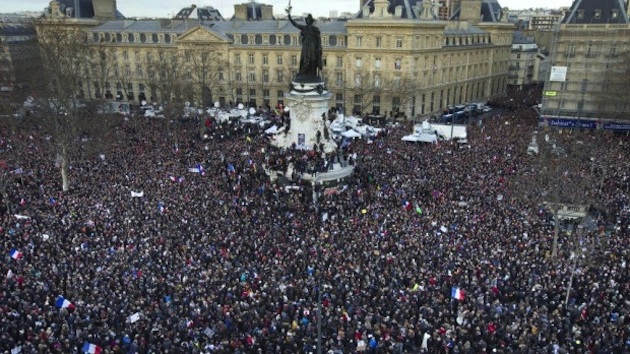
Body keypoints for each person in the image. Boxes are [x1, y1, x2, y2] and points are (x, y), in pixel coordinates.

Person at [286, 6, 322, 81]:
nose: (307, 21)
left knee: (312, 59)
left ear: (311, 21)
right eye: (307, 20)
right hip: (306, 45)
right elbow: (295, 24)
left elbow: (318, 39)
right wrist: (289, 17)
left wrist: (319, 47)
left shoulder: (315, 29)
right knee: (304, 58)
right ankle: (303, 73)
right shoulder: (304, 28)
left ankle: (312, 73)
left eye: (308, 20)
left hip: (312, 45)